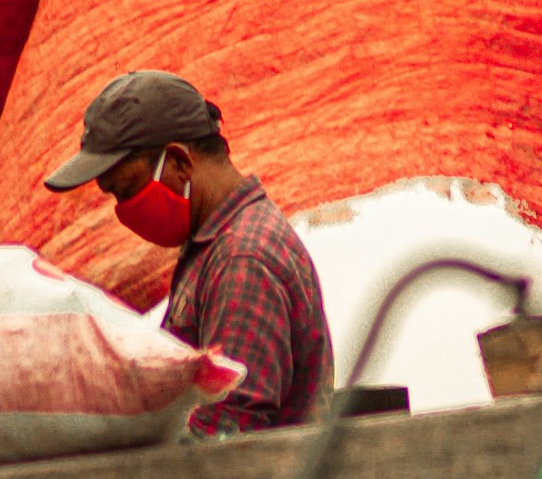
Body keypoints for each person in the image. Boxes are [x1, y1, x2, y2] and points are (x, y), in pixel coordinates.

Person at [45, 70, 334, 437]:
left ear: (180, 162)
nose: (124, 208)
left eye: (127, 189)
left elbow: (227, 431)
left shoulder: (242, 260)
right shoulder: (211, 247)